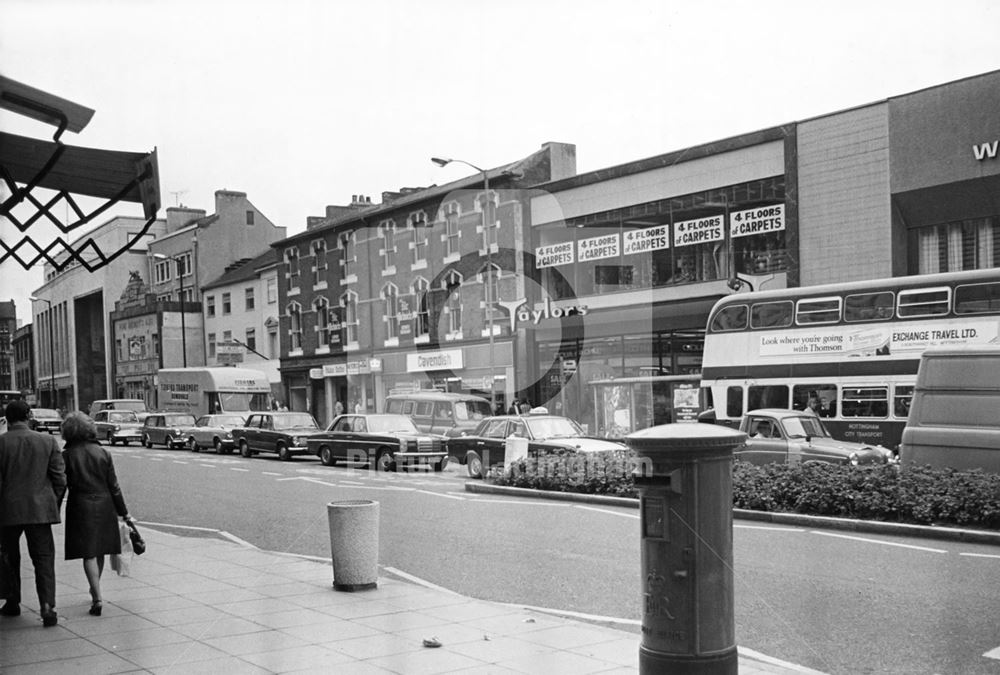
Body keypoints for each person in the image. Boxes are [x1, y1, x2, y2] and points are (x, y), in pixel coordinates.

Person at [0, 400, 66, 627]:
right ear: (28, 416)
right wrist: (51, 505)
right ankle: (48, 606)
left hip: (8, 511)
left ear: (7, 419)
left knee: (9, 557)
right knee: (44, 559)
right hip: (40, 511)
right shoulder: (47, 441)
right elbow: (60, 479)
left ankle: (12, 600)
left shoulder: (1, 443)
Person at [61, 412, 131, 618]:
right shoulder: (103, 453)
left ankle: (97, 596)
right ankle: (95, 590)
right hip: (104, 504)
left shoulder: (66, 456)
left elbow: (61, 485)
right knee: (99, 550)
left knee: (88, 553)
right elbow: (114, 487)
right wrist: (123, 512)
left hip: (80, 504)